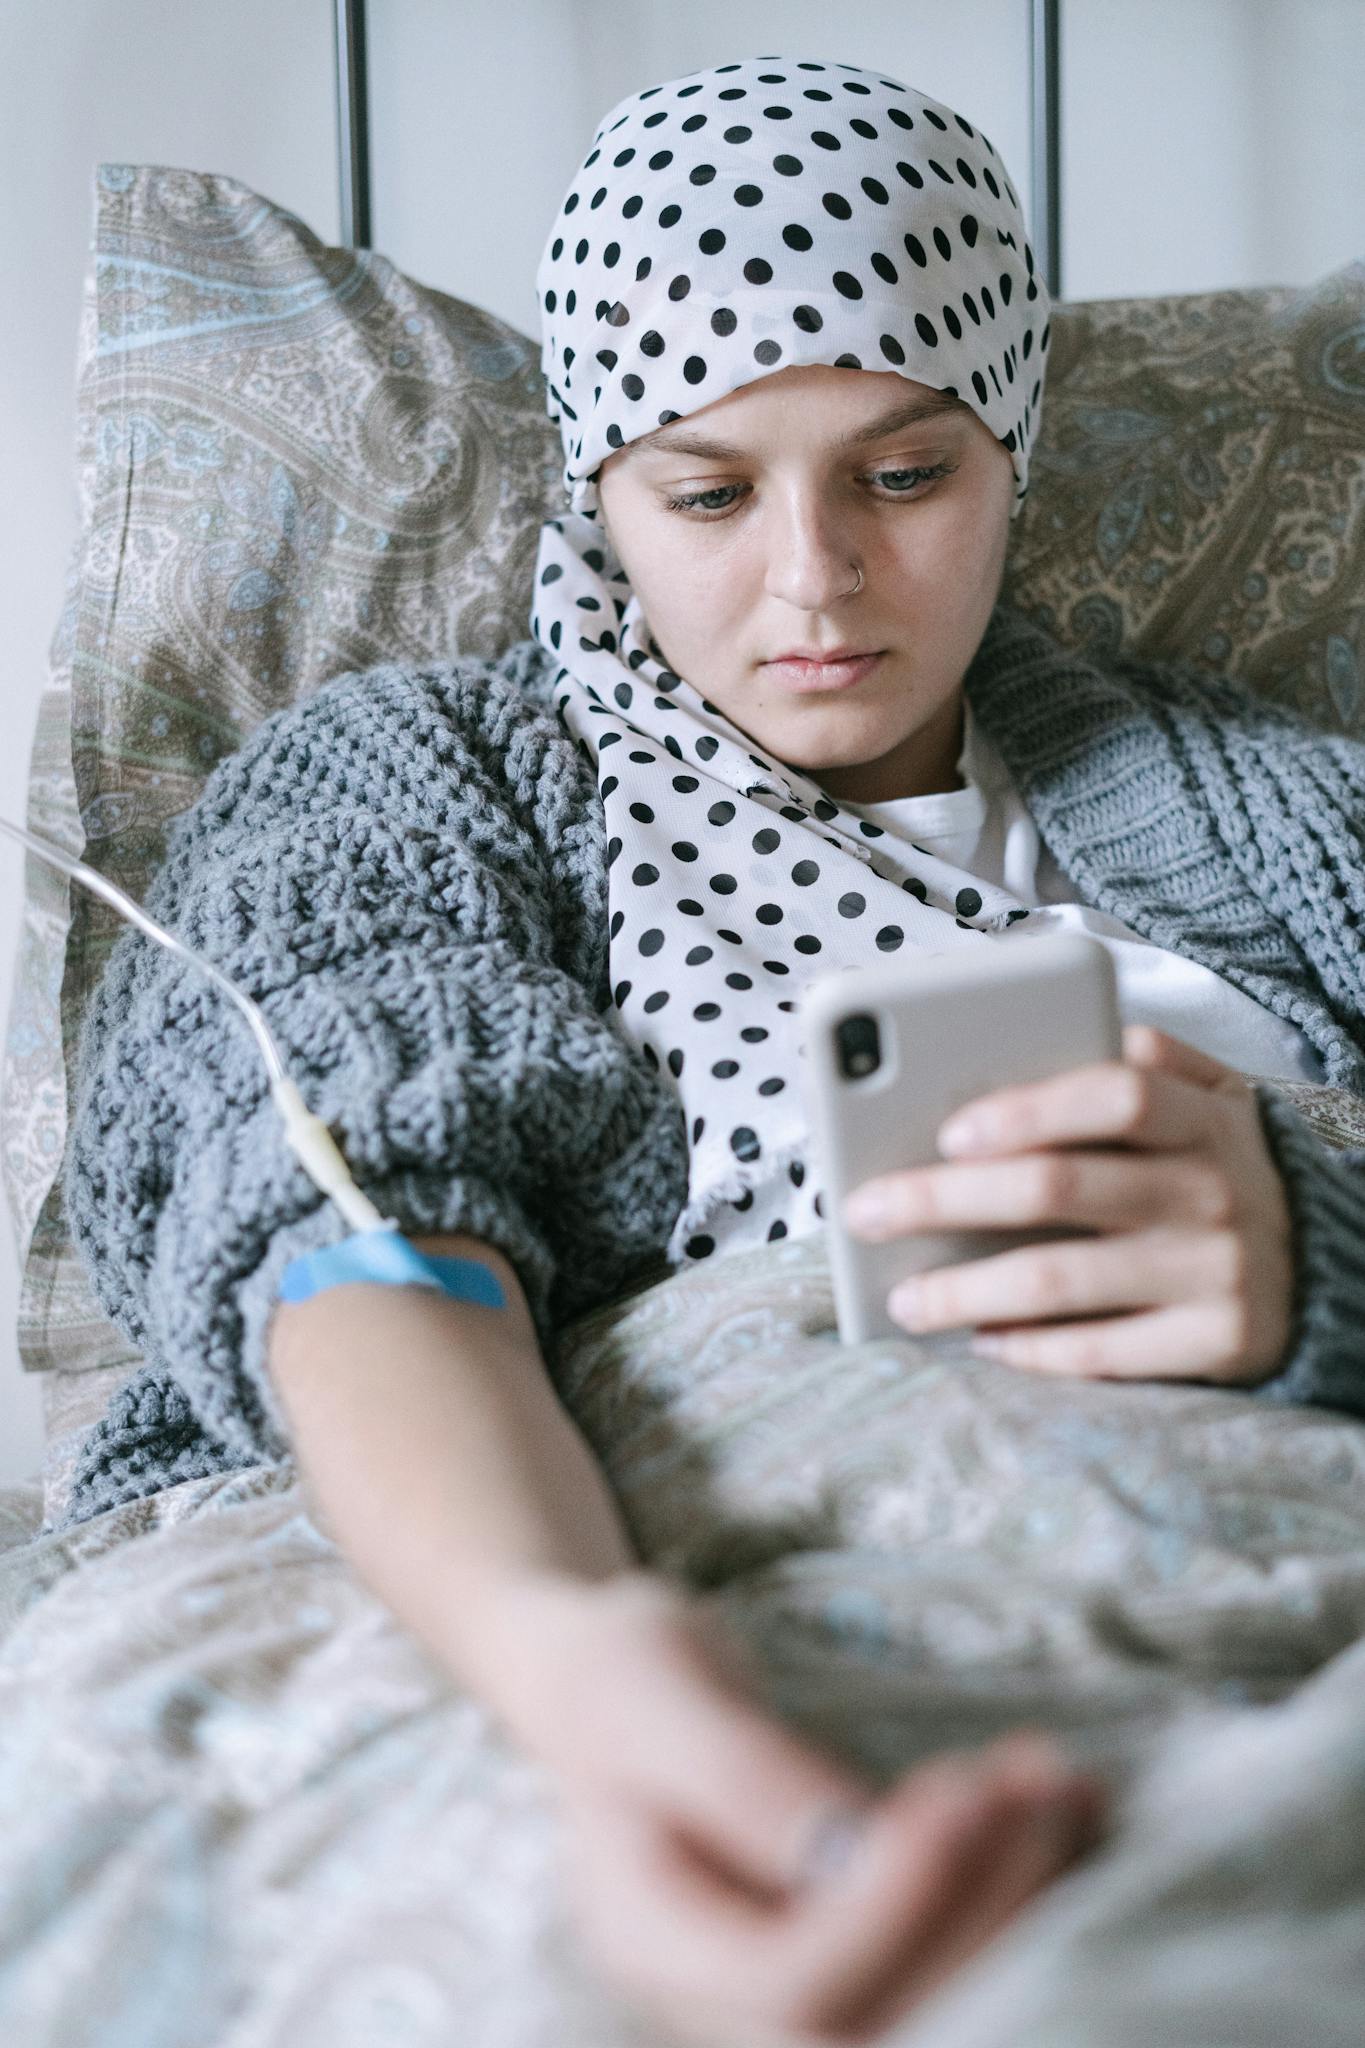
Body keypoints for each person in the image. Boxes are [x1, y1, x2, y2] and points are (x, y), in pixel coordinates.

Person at [59, 53, 1365, 2045]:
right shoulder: (417, 784)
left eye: (906, 474)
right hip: (651, 1587)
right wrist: (583, 1670)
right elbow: (332, 1212)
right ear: (593, 483)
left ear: (1017, 453)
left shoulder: (1283, 821)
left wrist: (1318, 1248)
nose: (814, 581)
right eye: (704, 489)